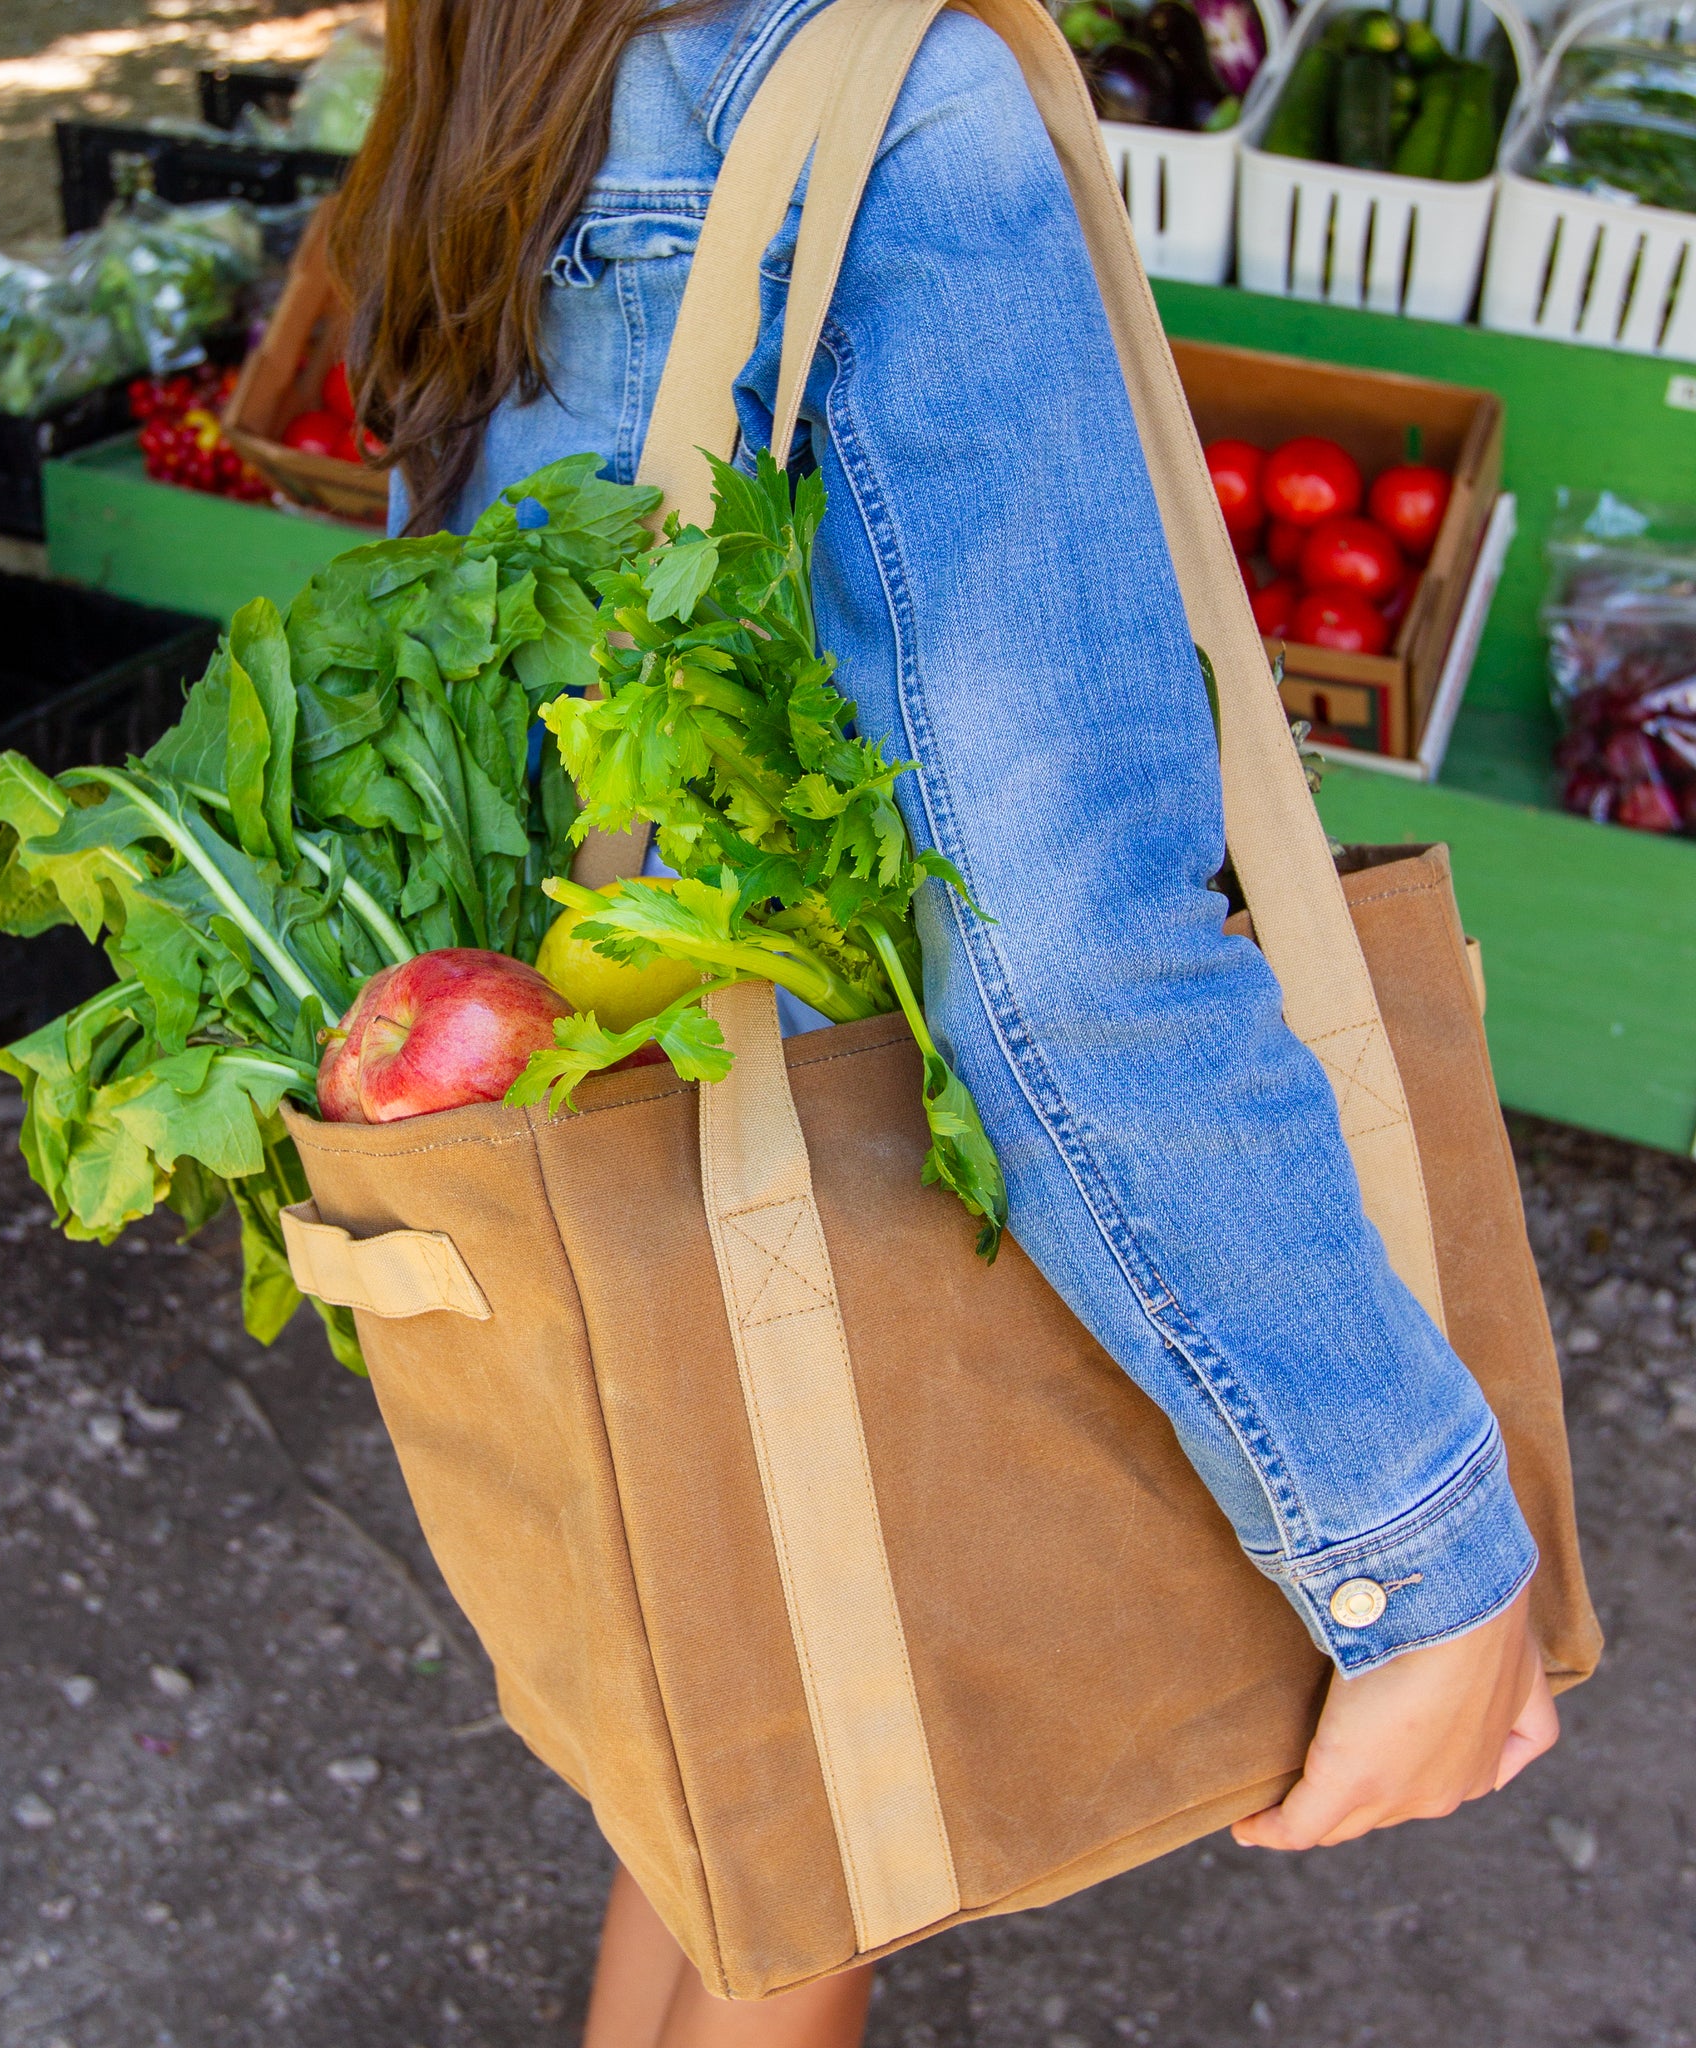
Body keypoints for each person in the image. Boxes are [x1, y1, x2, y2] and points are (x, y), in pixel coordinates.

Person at [326, 4, 1560, 2043]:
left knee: (742, 1824)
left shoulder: (502, 56)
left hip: (642, 1143)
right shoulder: (905, 94)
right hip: (839, 1172)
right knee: (803, 1846)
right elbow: (1062, 928)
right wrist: (1408, 1550)